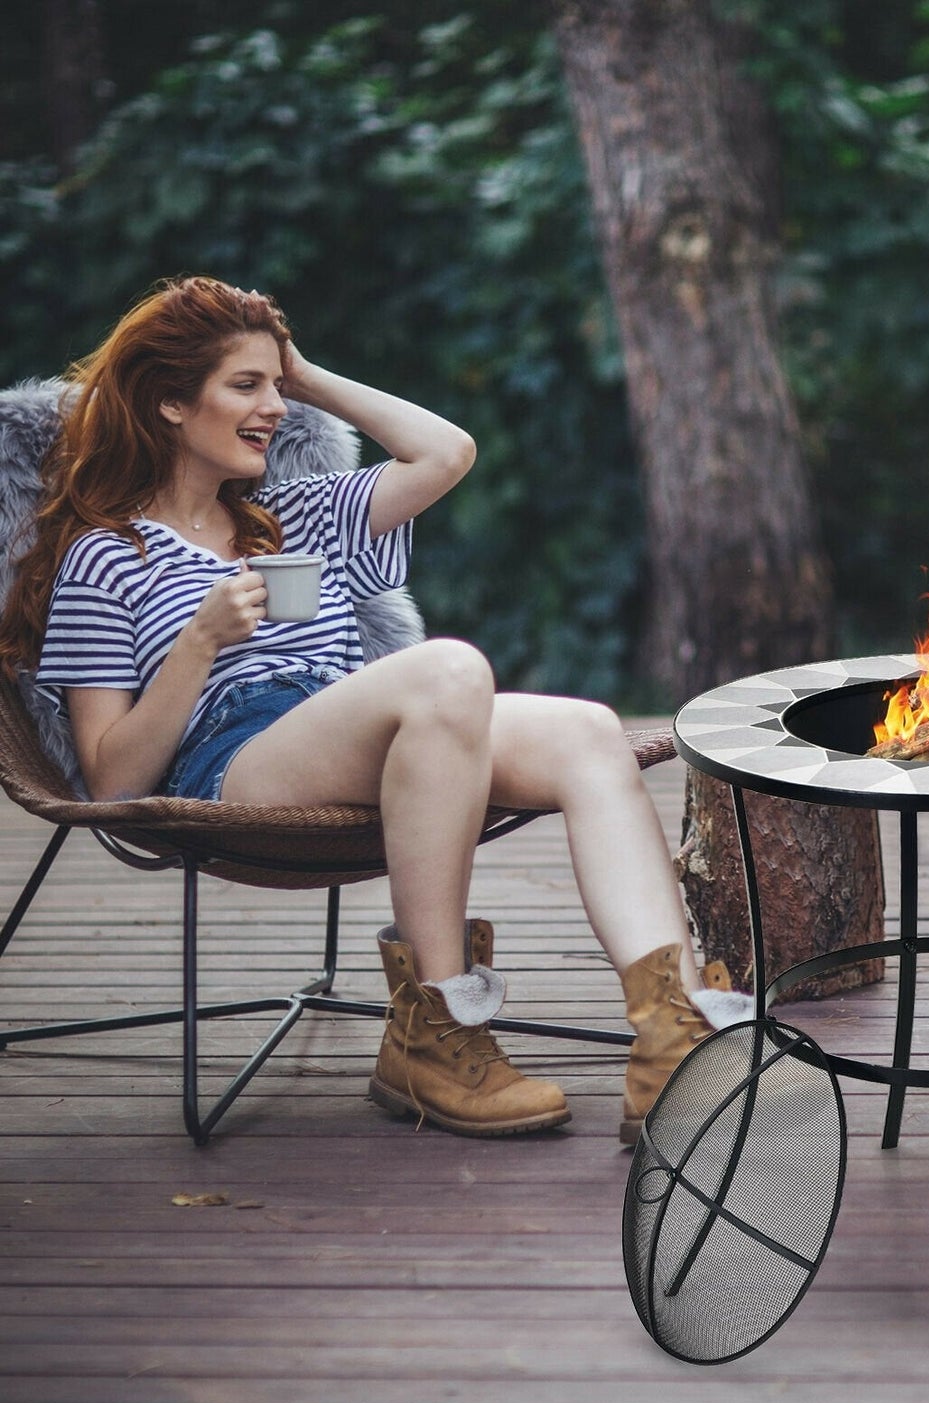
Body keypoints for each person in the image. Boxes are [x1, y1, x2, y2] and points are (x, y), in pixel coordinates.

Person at [0, 276, 746, 1143]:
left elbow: (447, 453)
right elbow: (111, 777)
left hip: (349, 723)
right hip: (229, 758)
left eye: (276, 386)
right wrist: (199, 641)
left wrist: (305, 372)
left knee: (585, 729)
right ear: (169, 402)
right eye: (247, 386)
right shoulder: (105, 556)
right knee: (447, 669)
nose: (274, 407)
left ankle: (671, 1038)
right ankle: (436, 1031)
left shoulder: (290, 515)